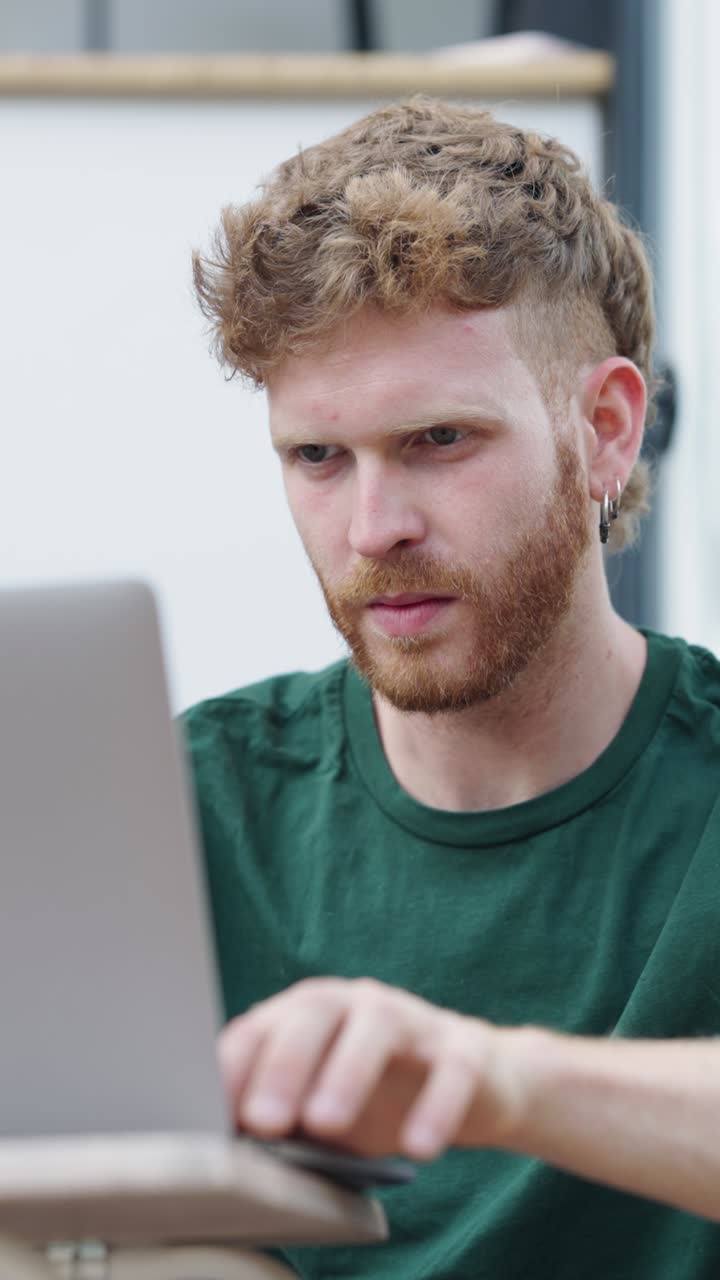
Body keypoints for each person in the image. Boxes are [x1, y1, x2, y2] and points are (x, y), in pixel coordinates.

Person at [182, 98, 720, 1279]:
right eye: (319, 457)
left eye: (438, 439)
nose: (375, 528)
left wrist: (495, 1078)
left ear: (607, 430)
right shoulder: (188, 807)